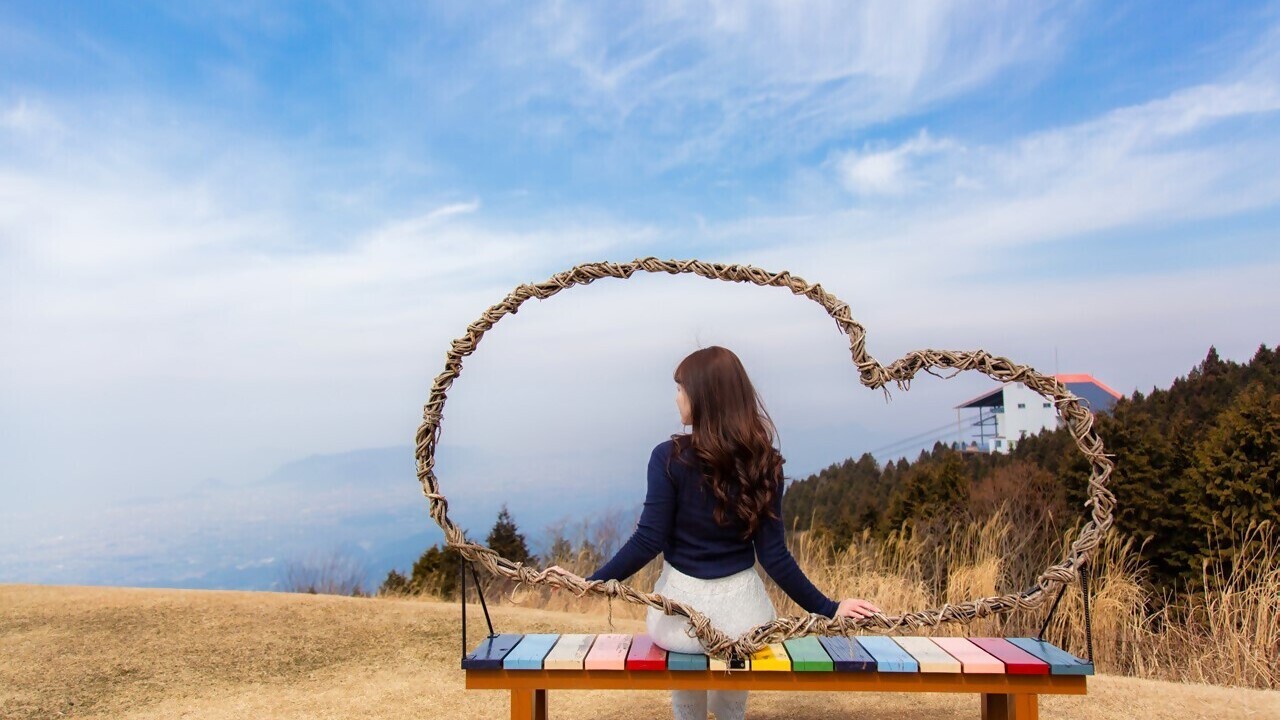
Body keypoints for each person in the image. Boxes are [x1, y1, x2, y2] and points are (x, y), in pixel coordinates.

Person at [552, 346, 879, 720]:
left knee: (688, 703)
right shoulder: (764, 464)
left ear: (703, 396)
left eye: (681, 388)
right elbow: (775, 557)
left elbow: (648, 541)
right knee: (730, 705)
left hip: (679, 621)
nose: (677, 398)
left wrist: (590, 582)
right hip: (744, 622)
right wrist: (831, 609)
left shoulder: (668, 457)